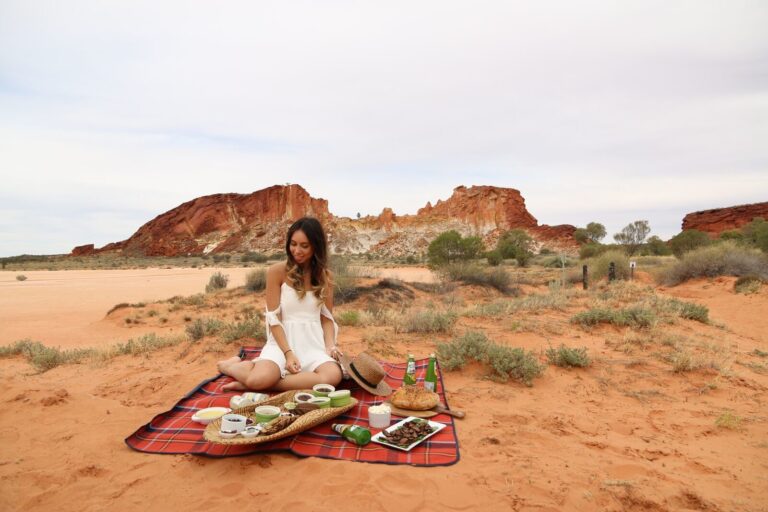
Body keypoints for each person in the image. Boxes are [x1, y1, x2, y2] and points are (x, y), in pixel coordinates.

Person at [217, 217, 343, 391]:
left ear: (316, 246)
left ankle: (259, 384)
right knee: (259, 379)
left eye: (304, 246)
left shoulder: (325, 276)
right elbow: (273, 318)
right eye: (293, 244)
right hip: (281, 342)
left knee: (332, 376)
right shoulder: (276, 272)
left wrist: (330, 346)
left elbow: (327, 319)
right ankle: (229, 366)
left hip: (312, 343)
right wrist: (288, 353)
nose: (297, 251)